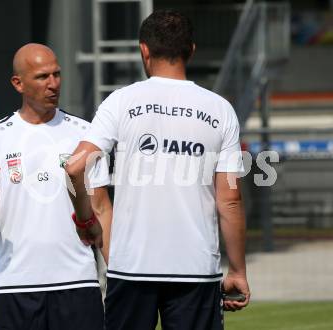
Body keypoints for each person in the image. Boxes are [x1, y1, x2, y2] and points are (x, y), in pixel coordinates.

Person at [65, 10, 250, 330]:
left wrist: (86, 220)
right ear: (190, 50)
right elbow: (230, 200)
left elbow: (75, 167)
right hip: (195, 270)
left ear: (144, 50)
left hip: (131, 269)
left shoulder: (120, 101)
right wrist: (237, 271)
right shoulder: (220, 109)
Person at [0, 43, 112, 330]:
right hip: (13, 284)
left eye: (57, 74)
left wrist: (118, 276)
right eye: (42, 77)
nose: (53, 84)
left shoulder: (84, 134)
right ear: (18, 83)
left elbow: (101, 208)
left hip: (78, 282)